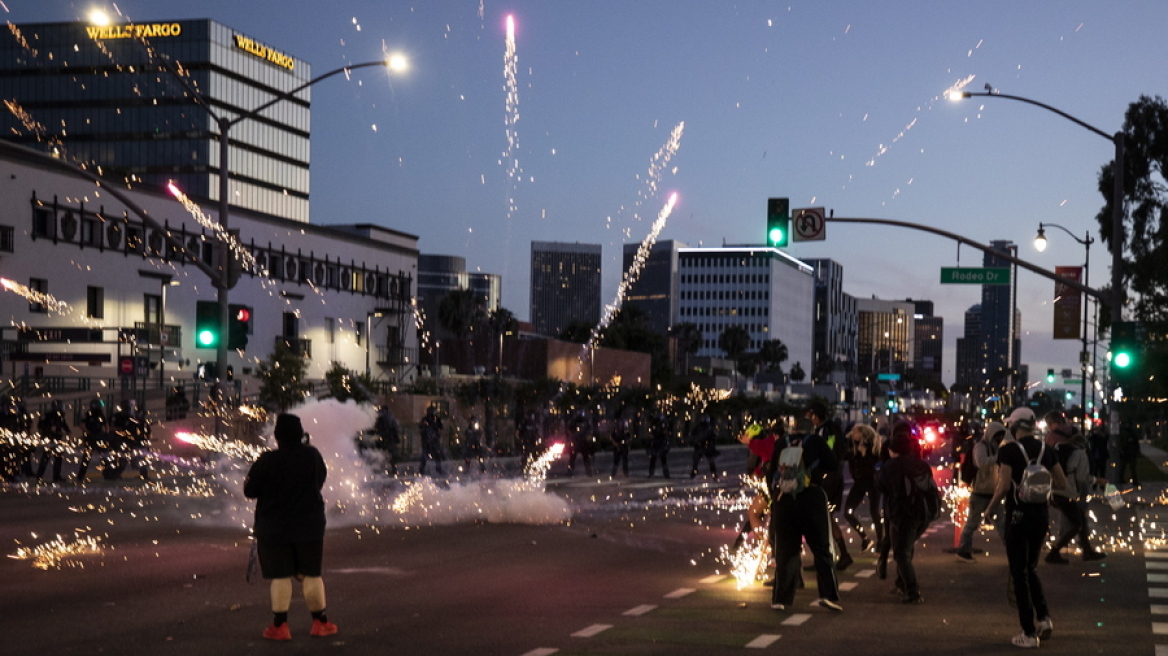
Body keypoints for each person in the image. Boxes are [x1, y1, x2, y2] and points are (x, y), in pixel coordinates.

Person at [243, 413, 337, 640]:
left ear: (277, 437)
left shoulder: (267, 460)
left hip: (274, 528)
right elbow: (320, 480)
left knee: (280, 576)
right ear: (300, 434)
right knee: (312, 574)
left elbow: (249, 491)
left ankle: (280, 626)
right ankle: (320, 622)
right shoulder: (312, 456)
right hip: (309, 525)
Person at [986, 407, 1067, 649]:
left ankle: (1029, 632)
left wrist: (990, 509)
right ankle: (1043, 619)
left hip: (1018, 516)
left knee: (1018, 572)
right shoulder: (1047, 450)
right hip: (1040, 516)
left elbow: (1002, 487)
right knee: (1030, 568)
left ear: (1014, 426)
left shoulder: (1008, 451)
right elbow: (1061, 482)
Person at [768, 418, 843, 612]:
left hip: (784, 501)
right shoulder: (816, 442)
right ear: (811, 430)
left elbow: (770, 474)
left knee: (786, 551)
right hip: (811, 498)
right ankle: (827, 595)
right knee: (821, 549)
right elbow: (833, 464)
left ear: (792, 429)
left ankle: (780, 599)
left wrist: (776, 497)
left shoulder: (781, 443)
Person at [875, 424, 933, 604]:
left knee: (900, 552)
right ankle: (901, 583)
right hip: (922, 513)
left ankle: (912, 590)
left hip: (901, 514)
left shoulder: (890, 466)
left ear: (893, 450)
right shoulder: (921, 464)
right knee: (906, 548)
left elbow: (880, 487)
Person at [1043, 412, 1105, 563]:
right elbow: (1081, 478)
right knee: (1076, 524)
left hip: (1054, 491)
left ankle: (1087, 550)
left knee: (1080, 520)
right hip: (1067, 492)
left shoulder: (1058, 447)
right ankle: (1054, 553)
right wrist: (1097, 480)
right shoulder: (1080, 454)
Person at [805, 401, 852, 570]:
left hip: (827, 479)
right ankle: (839, 555)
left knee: (818, 518)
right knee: (825, 518)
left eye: (812, 416)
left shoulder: (825, 430)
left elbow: (826, 452)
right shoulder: (831, 428)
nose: (811, 420)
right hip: (832, 477)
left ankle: (828, 557)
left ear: (816, 416)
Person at [954, 421, 1006, 562]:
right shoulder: (980, 447)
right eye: (997, 437)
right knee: (972, 523)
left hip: (994, 493)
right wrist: (999, 458)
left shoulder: (999, 448)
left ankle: (1012, 553)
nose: (999, 440)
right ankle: (963, 551)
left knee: (1002, 524)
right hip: (979, 493)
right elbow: (980, 462)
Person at [843, 423, 882, 552]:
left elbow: (873, 467)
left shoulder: (873, 447)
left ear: (863, 434)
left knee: (874, 512)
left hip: (872, 483)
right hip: (859, 483)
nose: (853, 435)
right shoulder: (852, 446)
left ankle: (881, 542)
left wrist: (864, 453)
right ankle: (865, 538)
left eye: (856, 432)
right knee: (848, 512)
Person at [35, 400, 71, 484]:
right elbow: (40, 426)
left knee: (58, 459)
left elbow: (64, 425)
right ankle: (39, 476)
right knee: (45, 458)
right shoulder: (48, 416)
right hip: (49, 439)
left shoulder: (60, 416)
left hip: (57, 439)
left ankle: (56, 476)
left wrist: (68, 432)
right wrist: (49, 428)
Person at [76, 399, 109, 483]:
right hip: (91, 438)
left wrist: (105, 434)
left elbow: (106, 425)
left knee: (105, 456)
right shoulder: (87, 414)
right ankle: (80, 476)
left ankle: (108, 474)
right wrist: (89, 433)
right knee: (87, 458)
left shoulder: (101, 414)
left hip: (98, 437)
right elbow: (82, 425)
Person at [372, 405, 401, 475]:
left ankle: (384, 469)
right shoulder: (391, 418)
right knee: (389, 455)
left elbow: (377, 428)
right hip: (389, 439)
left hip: (386, 439)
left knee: (383, 454)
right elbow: (395, 429)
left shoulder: (383, 418)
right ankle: (393, 470)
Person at [417, 405, 445, 476]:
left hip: (434, 441)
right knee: (425, 456)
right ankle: (422, 470)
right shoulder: (425, 420)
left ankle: (438, 469)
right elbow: (421, 428)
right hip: (427, 441)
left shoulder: (436, 419)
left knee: (436, 456)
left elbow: (441, 428)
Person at [566, 409, 594, 477]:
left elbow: (589, 430)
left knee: (585, 458)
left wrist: (587, 437)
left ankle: (588, 472)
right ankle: (570, 472)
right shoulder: (573, 421)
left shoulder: (584, 421)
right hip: (576, 442)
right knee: (572, 458)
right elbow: (569, 430)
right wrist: (572, 437)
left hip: (583, 441)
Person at [689, 414, 718, 479]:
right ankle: (694, 473)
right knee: (696, 461)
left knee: (710, 461)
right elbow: (693, 435)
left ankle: (714, 474)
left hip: (706, 446)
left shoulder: (709, 428)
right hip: (700, 446)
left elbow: (713, 437)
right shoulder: (699, 427)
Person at [646, 412, 672, 479]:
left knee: (662, 459)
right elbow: (650, 433)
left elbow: (666, 432)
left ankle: (666, 474)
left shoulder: (663, 424)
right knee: (654, 459)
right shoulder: (653, 424)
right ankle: (651, 474)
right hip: (656, 442)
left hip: (661, 442)